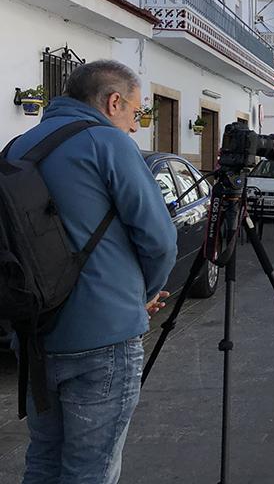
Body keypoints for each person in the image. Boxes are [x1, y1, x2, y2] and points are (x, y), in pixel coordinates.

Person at [7, 60, 178, 483]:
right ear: (114, 101)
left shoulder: (17, 147)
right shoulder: (108, 143)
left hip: (34, 336)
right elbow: (159, 239)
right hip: (103, 338)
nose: (136, 127)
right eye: (136, 113)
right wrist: (143, 295)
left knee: (44, 459)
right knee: (90, 469)